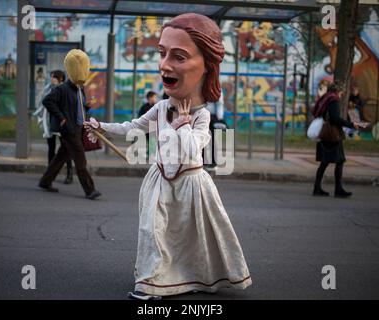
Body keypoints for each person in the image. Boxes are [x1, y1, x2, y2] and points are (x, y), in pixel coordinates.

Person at [85, 13, 251, 300]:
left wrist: (183, 125)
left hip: (191, 184)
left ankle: (191, 278)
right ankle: (151, 285)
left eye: (179, 56)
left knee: (193, 239)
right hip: (160, 181)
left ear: (207, 67)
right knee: (154, 232)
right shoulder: (161, 108)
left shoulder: (202, 116)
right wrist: (101, 127)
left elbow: (192, 148)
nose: (164, 65)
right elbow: (133, 128)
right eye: (162, 54)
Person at [38, 49, 101, 200]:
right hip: (69, 130)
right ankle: (90, 190)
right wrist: (61, 118)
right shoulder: (62, 88)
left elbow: (77, 107)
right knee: (81, 160)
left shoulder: (80, 89)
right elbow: (47, 101)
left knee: (60, 157)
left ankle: (45, 181)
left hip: (78, 128)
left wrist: (86, 108)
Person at [312, 81, 360, 198]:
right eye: (342, 91)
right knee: (339, 161)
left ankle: (317, 188)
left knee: (324, 162)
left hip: (325, 134)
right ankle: (338, 189)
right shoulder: (333, 99)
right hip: (332, 135)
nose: (342, 94)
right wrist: (350, 124)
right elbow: (334, 119)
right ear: (338, 90)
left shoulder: (325, 98)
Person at [33, 70, 73, 184]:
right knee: (51, 148)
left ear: (60, 79)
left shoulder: (65, 90)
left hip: (61, 123)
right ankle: (50, 173)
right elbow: (42, 103)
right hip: (50, 122)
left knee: (65, 149)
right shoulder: (48, 89)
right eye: (51, 77)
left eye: (54, 77)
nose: (51, 79)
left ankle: (70, 173)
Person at [205, 92, 227, 168]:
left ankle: (213, 161)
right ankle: (203, 161)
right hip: (202, 114)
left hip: (212, 116)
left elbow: (219, 104)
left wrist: (220, 118)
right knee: (201, 138)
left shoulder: (216, 88)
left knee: (213, 139)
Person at [137, 91, 157, 159]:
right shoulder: (144, 107)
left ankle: (151, 154)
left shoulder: (156, 106)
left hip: (154, 127)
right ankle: (149, 154)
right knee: (150, 141)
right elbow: (139, 116)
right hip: (146, 128)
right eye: (154, 97)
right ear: (149, 98)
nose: (155, 99)